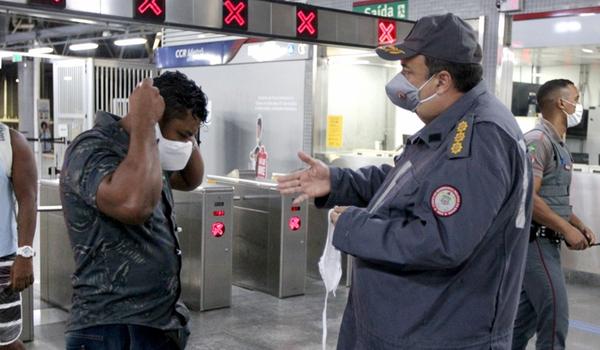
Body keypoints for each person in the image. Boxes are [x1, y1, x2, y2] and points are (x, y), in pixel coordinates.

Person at [278, 13, 533, 349]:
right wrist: (338, 181)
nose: (400, 82)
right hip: (409, 324)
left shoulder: (478, 138)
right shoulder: (450, 124)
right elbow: (409, 184)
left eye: (408, 72)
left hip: (438, 333)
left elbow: (441, 241)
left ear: (442, 81)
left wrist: (354, 227)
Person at [60, 71, 208, 349]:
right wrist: (144, 122)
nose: (186, 143)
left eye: (191, 137)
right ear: (155, 118)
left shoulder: (152, 153)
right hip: (109, 327)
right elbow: (134, 205)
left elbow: (191, 179)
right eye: (183, 134)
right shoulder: (92, 147)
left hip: (158, 321)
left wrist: (186, 137)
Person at [512, 79, 596, 350]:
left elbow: (553, 199)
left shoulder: (557, 143)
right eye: (576, 98)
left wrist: (578, 225)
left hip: (547, 243)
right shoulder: (537, 141)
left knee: (522, 323)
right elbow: (528, 197)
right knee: (555, 320)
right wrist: (567, 229)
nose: (579, 105)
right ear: (562, 103)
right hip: (535, 244)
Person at [0, 123, 37, 350]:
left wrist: (25, 254)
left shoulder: (9, 141)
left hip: (2, 261)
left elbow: (28, 199)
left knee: (6, 341)